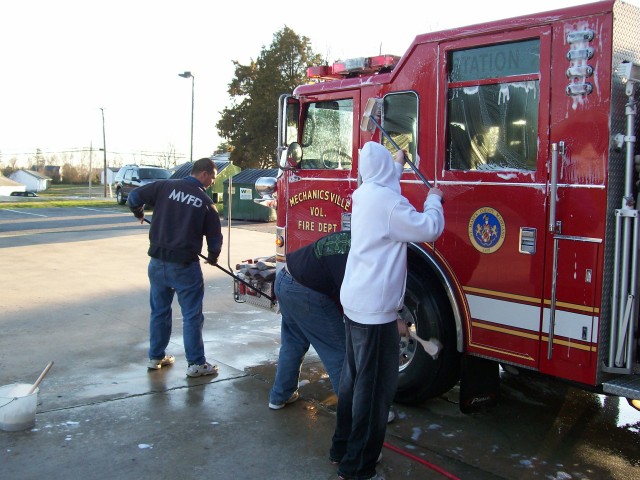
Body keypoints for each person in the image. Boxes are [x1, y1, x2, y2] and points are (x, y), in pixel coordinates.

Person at [330, 142, 445, 480]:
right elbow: (429, 228)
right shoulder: (391, 204)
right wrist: (434, 199)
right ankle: (359, 468)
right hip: (375, 316)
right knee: (374, 393)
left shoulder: (364, 193)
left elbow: (383, 182)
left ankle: (342, 449)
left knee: (352, 384)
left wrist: (398, 164)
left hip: (354, 307)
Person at [127, 157, 223, 378]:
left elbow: (133, 196)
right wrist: (213, 257)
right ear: (205, 173)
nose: (212, 183)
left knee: (159, 312)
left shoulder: (165, 186)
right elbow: (215, 237)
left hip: (157, 263)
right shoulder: (204, 201)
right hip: (184, 267)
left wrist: (138, 213)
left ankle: (155, 357)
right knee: (191, 316)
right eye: (213, 178)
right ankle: (196, 364)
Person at [269, 231, 350, 410]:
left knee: (293, 343)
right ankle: (356, 411)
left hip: (284, 280)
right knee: (339, 352)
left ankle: (280, 395)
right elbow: (348, 301)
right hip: (305, 292)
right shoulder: (355, 255)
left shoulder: (347, 238)